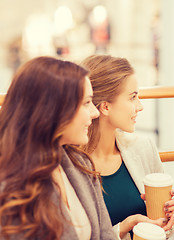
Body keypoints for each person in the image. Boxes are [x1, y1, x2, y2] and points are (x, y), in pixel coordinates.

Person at [0, 56, 118, 240]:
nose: (95, 113)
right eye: (87, 102)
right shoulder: (9, 187)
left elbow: (105, 235)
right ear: (53, 110)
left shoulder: (81, 165)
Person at [80, 55, 174, 240]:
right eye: (133, 97)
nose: (140, 106)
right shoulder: (72, 165)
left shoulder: (143, 148)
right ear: (105, 107)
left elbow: (163, 231)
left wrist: (164, 221)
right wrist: (124, 227)